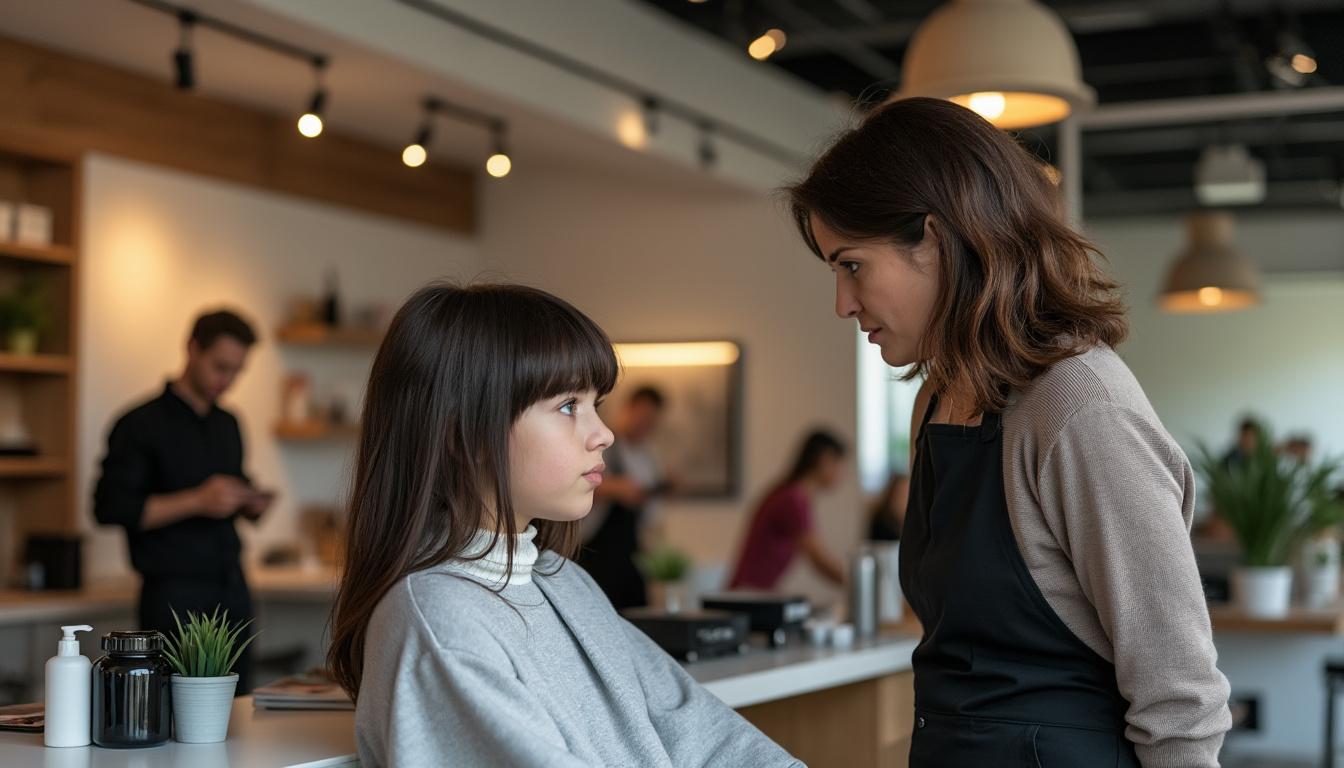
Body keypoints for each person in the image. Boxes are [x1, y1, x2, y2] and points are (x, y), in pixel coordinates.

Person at [786, 97, 1230, 766]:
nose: (843, 303)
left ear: (933, 240)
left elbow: (1181, 693)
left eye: (851, 265)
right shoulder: (937, 400)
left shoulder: (1080, 406)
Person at [327, 283, 799, 768]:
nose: (604, 434)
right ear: (462, 434)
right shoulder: (438, 621)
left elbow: (701, 731)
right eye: (569, 406)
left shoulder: (565, 582)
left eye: (597, 404)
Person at [93, 309, 272, 693]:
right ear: (192, 349)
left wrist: (248, 502)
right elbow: (110, 507)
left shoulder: (229, 424)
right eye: (220, 367)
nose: (227, 381)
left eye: (236, 371)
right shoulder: (139, 424)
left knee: (237, 709)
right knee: (170, 713)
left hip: (232, 586)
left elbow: (231, 491)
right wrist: (196, 500)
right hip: (173, 595)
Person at [578, 386, 669, 609]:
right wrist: (615, 489)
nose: (645, 424)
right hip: (597, 549)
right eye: (643, 416)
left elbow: (650, 513)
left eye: (651, 420)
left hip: (631, 551)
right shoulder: (604, 446)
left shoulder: (648, 456)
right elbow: (578, 484)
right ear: (629, 409)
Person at [727, 430, 847, 590]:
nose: (842, 474)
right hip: (747, 596)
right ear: (824, 459)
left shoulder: (794, 495)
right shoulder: (793, 499)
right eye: (839, 464)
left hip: (752, 593)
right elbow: (819, 560)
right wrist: (861, 583)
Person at [867, 472, 909, 542]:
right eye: (901, 495)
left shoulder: (914, 520)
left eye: (907, 496)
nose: (904, 500)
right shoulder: (881, 522)